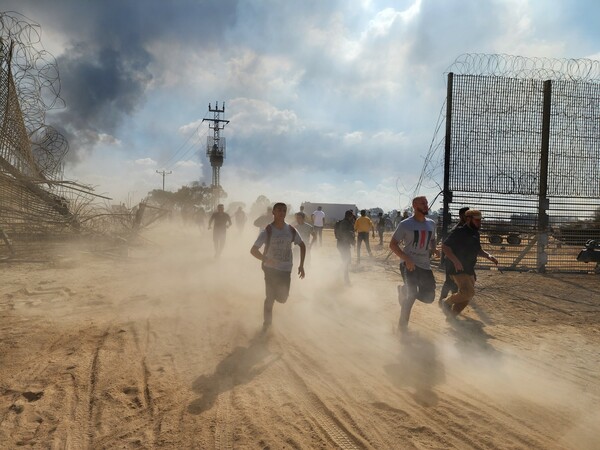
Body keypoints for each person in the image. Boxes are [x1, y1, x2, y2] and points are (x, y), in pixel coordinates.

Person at [251, 203, 306, 331]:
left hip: (286, 269)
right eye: (279, 210)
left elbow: (302, 245)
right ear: (274, 213)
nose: (282, 213)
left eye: (284, 211)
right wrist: (266, 260)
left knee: (282, 298)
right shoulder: (268, 230)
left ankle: (273, 294)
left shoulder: (291, 230)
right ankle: (267, 323)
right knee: (270, 297)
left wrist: (301, 266)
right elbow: (253, 250)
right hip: (270, 270)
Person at [389, 196, 438, 333]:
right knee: (412, 294)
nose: (426, 205)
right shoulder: (405, 224)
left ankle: (403, 290)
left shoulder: (431, 224)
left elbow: (432, 239)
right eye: (423, 203)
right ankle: (402, 328)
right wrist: (406, 259)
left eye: (427, 203)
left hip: (425, 265)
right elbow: (392, 244)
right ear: (414, 206)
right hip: (408, 264)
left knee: (429, 298)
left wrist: (434, 248)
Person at [440, 209, 498, 318]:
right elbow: (445, 247)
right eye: (477, 220)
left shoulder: (475, 233)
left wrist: (489, 256)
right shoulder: (459, 232)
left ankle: (452, 316)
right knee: (468, 293)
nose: (479, 223)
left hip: (469, 268)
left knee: (467, 296)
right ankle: (446, 302)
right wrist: (456, 261)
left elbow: (478, 250)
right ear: (468, 219)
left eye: (480, 220)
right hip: (458, 268)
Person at [439, 207, 470, 302]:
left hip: (461, 260)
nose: (469, 217)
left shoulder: (467, 228)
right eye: (467, 215)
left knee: (456, 282)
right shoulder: (457, 229)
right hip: (452, 260)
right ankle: (444, 300)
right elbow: (446, 245)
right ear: (461, 216)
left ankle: (449, 301)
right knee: (450, 281)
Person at [334, 210, 355, 285]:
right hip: (344, 245)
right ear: (350, 216)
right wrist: (353, 241)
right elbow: (347, 234)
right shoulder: (346, 223)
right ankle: (346, 280)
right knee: (346, 261)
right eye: (352, 216)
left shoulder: (340, 222)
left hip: (340, 244)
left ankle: (340, 275)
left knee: (346, 261)